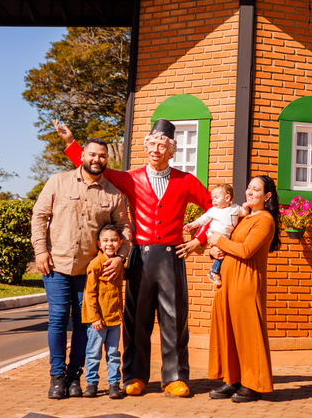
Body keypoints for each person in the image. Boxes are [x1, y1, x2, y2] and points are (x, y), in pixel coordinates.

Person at [59, 118, 212, 398]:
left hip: (171, 256)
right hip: (141, 255)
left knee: (174, 318)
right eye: (151, 144)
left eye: (162, 145)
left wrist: (198, 240)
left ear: (171, 150)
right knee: (136, 319)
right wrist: (71, 143)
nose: (155, 149)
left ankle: (175, 376)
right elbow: (99, 167)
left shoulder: (186, 180)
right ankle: (134, 374)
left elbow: (213, 208)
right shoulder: (132, 178)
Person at [31, 136, 130, 400]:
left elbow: (125, 229)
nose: (97, 159)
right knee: (57, 319)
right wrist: (40, 250)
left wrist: (120, 257)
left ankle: (75, 376)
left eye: (102, 156)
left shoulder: (113, 194)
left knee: (84, 323)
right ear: (83, 155)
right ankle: (57, 377)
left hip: (90, 271)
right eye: (92, 154)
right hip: (56, 264)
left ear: (106, 160)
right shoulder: (58, 181)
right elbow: (39, 216)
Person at [206, 175, 280, 403]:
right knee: (229, 332)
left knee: (248, 334)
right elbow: (228, 241)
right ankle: (234, 379)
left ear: (267, 196)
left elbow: (246, 250)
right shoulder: (244, 216)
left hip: (246, 282)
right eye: (249, 187)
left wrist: (218, 241)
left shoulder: (265, 220)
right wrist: (213, 251)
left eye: (256, 189)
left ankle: (254, 384)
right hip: (228, 281)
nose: (250, 192)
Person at [82, 223, 126, 399]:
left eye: (114, 240)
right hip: (98, 321)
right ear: (99, 244)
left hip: (114, 318)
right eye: (106, 240)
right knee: (93, 353)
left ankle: (114, 384)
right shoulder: (95, 264)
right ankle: (91, 383)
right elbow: (90, 293)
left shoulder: (119, 264)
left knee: (114, 353)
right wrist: (95, 317)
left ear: (120, 243)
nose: (110, 244)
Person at [184, 183, 247, 286]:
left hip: (225, 237)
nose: (213, 200)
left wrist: (246, 207)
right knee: (220, 251)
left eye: (216, 198)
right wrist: (191, 225)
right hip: (213, 235)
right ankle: (214, 272)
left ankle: (217, 271)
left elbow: (244, 213)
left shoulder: (235, 208)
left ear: (227, 198)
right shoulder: (213, 211)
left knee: (223, 252)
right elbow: (202, 219)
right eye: (212, 198)